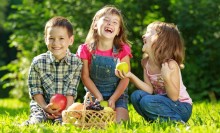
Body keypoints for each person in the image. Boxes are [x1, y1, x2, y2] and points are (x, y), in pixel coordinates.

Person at [116, 21, 192, 123]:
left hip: (181, 107)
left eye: (148, 32)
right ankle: (157, 121)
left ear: (160, 40)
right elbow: (149, 90)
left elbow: (174, 97)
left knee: (147, 101)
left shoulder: (170, 65)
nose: (143, 35)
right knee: (136, 96)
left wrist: (166, 78)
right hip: (160, 102)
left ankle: (177, 122)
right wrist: (130, 76)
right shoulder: (145, 63)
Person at [22, 16, 82, 125]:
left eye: (61, 38)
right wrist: (45, 107)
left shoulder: (76, 62)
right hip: (42, 106)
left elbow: (71, 92)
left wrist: (65, 111)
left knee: (65, 123)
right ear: (45, 39)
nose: (56, 43)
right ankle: (29, 123)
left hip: (65, 107)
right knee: (37, 121)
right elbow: (35, 91)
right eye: (51, 38)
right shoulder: (38, 62)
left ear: (71, 40)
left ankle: (60, 119)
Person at [76, 5, 132, 122]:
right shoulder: (85, 49)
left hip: (118, 96)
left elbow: (125, 78)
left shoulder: (122, 50)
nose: (110, 24)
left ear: (118, 31)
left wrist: (113, 98)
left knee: (119, 123)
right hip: (93, 96)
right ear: (96, 25)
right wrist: (98, 97)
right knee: (91, 122)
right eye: (106, 20)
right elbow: (85, 76)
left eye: (115, 22)